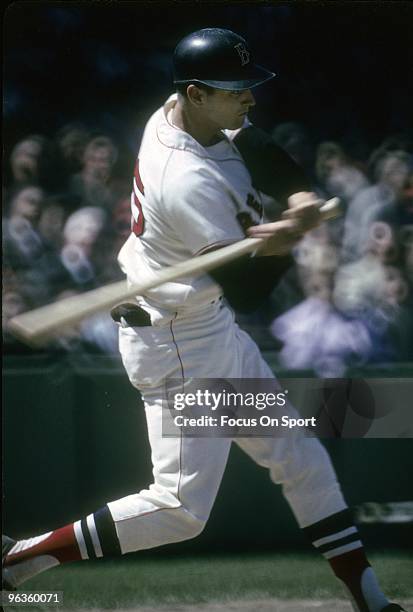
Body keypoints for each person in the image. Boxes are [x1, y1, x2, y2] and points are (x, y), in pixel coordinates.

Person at [2, 28, 405, 612]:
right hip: (179, 343)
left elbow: (258, 144)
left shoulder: (181, 112)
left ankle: (370, 599)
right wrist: (288, 242)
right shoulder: (184, 179)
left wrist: (293, 198)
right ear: (195, 92)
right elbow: (250, 289)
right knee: (180, 511)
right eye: (235, 89)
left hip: (207, 327)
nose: (249, 98)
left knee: (301, 455)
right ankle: (17, 559)